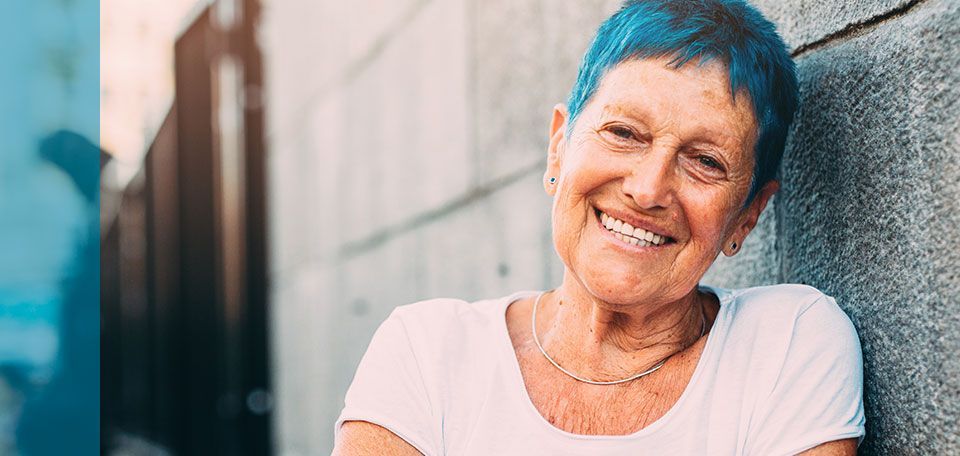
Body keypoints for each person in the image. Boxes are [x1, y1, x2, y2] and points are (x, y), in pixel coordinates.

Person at [334, 0, 865, 454]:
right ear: (559, 147)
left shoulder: (785, 345)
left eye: (705, 161)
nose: (648, 188)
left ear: (747, 216)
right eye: (624, 132)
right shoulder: (427, 353)